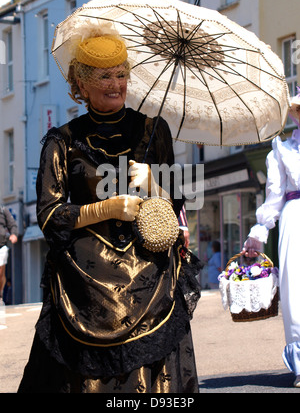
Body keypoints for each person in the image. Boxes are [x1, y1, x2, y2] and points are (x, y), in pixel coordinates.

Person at [18, 35, 199, 393]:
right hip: (84, 285)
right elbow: (49, 214)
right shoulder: (63, 140)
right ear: (81, 83)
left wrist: (154, 184)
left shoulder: (153, 129)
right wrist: (105, 208)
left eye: (120, 74)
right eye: (104, 76)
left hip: (150, 279)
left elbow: (177, 204)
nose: (115, 85)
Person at [242, 90, 300, 388]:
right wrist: (258, 233)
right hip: (295, 218)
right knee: (295, 291)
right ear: (294, 114)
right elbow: (274, 197)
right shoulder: (281, 151)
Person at [0, 206, 18, 304]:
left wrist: (14, 234)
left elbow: (12, 225)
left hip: (1, 246)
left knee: (0, 272)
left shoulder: (3, 210)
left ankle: (0, 293)